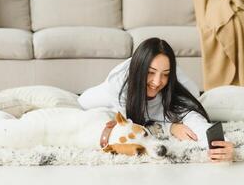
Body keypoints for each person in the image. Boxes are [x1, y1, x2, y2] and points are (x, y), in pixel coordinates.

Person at [78, 37, 234, 162]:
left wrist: (220, 143)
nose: (157, 81)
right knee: (83, 102)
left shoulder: (178, 85)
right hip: (103, 95)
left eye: (165, 74)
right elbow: (131, 126)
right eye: (150, 72)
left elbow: (193, 118)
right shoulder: (117, 84)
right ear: (140, 70)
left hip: (161, 99)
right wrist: (170, 127)